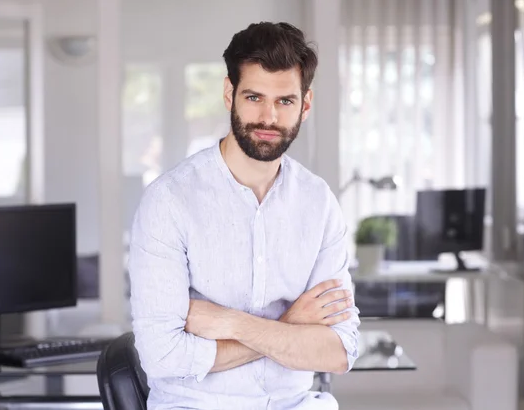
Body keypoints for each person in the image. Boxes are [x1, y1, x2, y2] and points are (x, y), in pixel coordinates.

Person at [128, 21, 360, 410]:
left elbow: (339, 351)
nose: (268, 118)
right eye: (254, 98)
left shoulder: (318, 203)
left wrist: (233, 324)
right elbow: (162, 357)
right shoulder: (169, 202)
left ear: (304, 105)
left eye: (284, 101)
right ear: (228, 93)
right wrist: (291, 326)